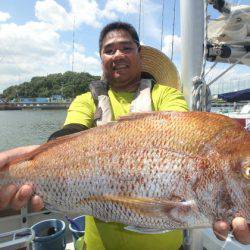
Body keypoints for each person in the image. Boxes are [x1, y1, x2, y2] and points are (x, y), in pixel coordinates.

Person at [0, 22, 249, 248]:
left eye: (126, 48)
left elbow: (184, 133)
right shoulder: (86, 100)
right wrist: (30, 160)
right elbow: (70, 133)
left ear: (140, 54)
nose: (118, 54)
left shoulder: (166, 95)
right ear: (102, 60)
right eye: (109, 50)